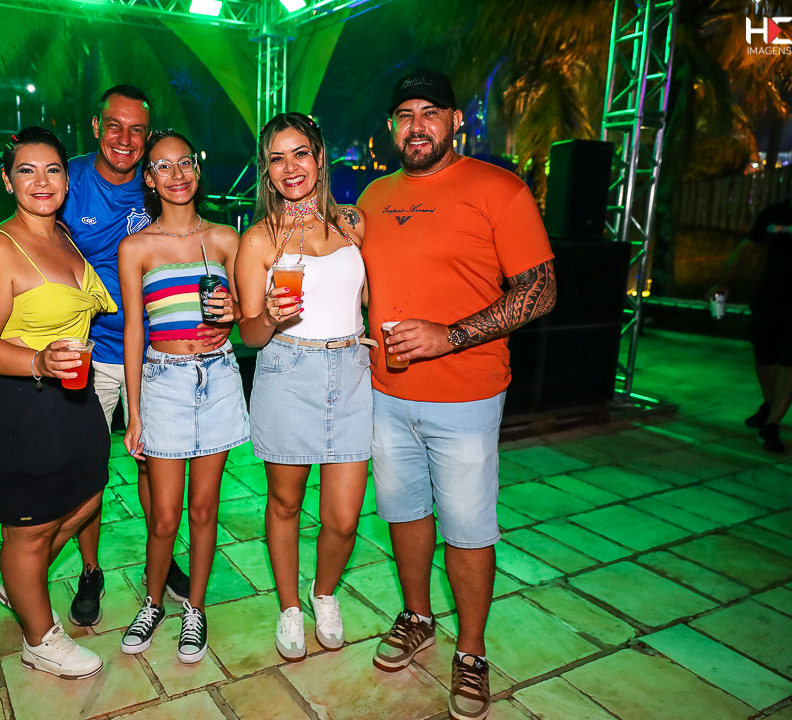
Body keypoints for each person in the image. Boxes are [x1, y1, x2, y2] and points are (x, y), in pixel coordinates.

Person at [0, 85, 226, 619]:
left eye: (137, 130)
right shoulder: (70, 180)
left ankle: (159, 563)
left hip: (153, 355)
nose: (125, 139)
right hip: (84, 355)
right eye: (114, 126)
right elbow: (26, 235)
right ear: (95, 126)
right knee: (86, 474)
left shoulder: (161, 180)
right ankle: (89, 570)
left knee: (151, 464)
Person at [358, 69, 556, 720]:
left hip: (466, 397)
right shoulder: (374, 196)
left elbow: (539, 291)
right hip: (385, 394)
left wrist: (451, 335)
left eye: (430, 112)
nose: (416, 126)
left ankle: (471, 651)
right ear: (392, 127)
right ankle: (417, 617)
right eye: (405, 114)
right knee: (404, 513)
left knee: (468, 528)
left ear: (455, 121)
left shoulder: (499, 189)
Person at [0, 127, 116, 679]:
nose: (41, 181)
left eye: (53, 169)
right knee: (28, 529)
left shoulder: (64, 236)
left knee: (86, 500)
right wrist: (37, 361)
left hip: (71, 399)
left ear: (67, 180)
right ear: (7, 180)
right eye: (27, 170)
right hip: (18, 406)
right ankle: (39, 638)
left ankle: (18, 584)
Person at [235, 112, 372, 662]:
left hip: (352, 371)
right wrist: (269, 314)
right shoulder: (258, 240)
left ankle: (324, 592)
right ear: (266, 171)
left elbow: (372, 295)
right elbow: (248, 333)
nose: (290, 167)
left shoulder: (352, 224)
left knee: (344, 517)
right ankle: (290, 605)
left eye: (300, 154)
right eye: (277, 158)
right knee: (286, 502)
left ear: (319, 158)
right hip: (287, 371)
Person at [116, 130, 249, 663]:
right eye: (163, 166)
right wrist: (134, 411)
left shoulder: (224, 239)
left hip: (218, 378)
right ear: (149, 178)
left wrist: (233, 317)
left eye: (184, 163)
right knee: (165, 514)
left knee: (204, 508)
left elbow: (247, 315)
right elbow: (134, 331)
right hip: (164, 382)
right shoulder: (136, 247)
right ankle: (153, 603)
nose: (176, 174)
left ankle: (195, 608)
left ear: (197, 167)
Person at [712, 160, 792, 453]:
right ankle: (769, 403)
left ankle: (773, 424)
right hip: (770, 296)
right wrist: (724, 281)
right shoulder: (774, 213)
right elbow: (747, 247)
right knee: (765, 358)